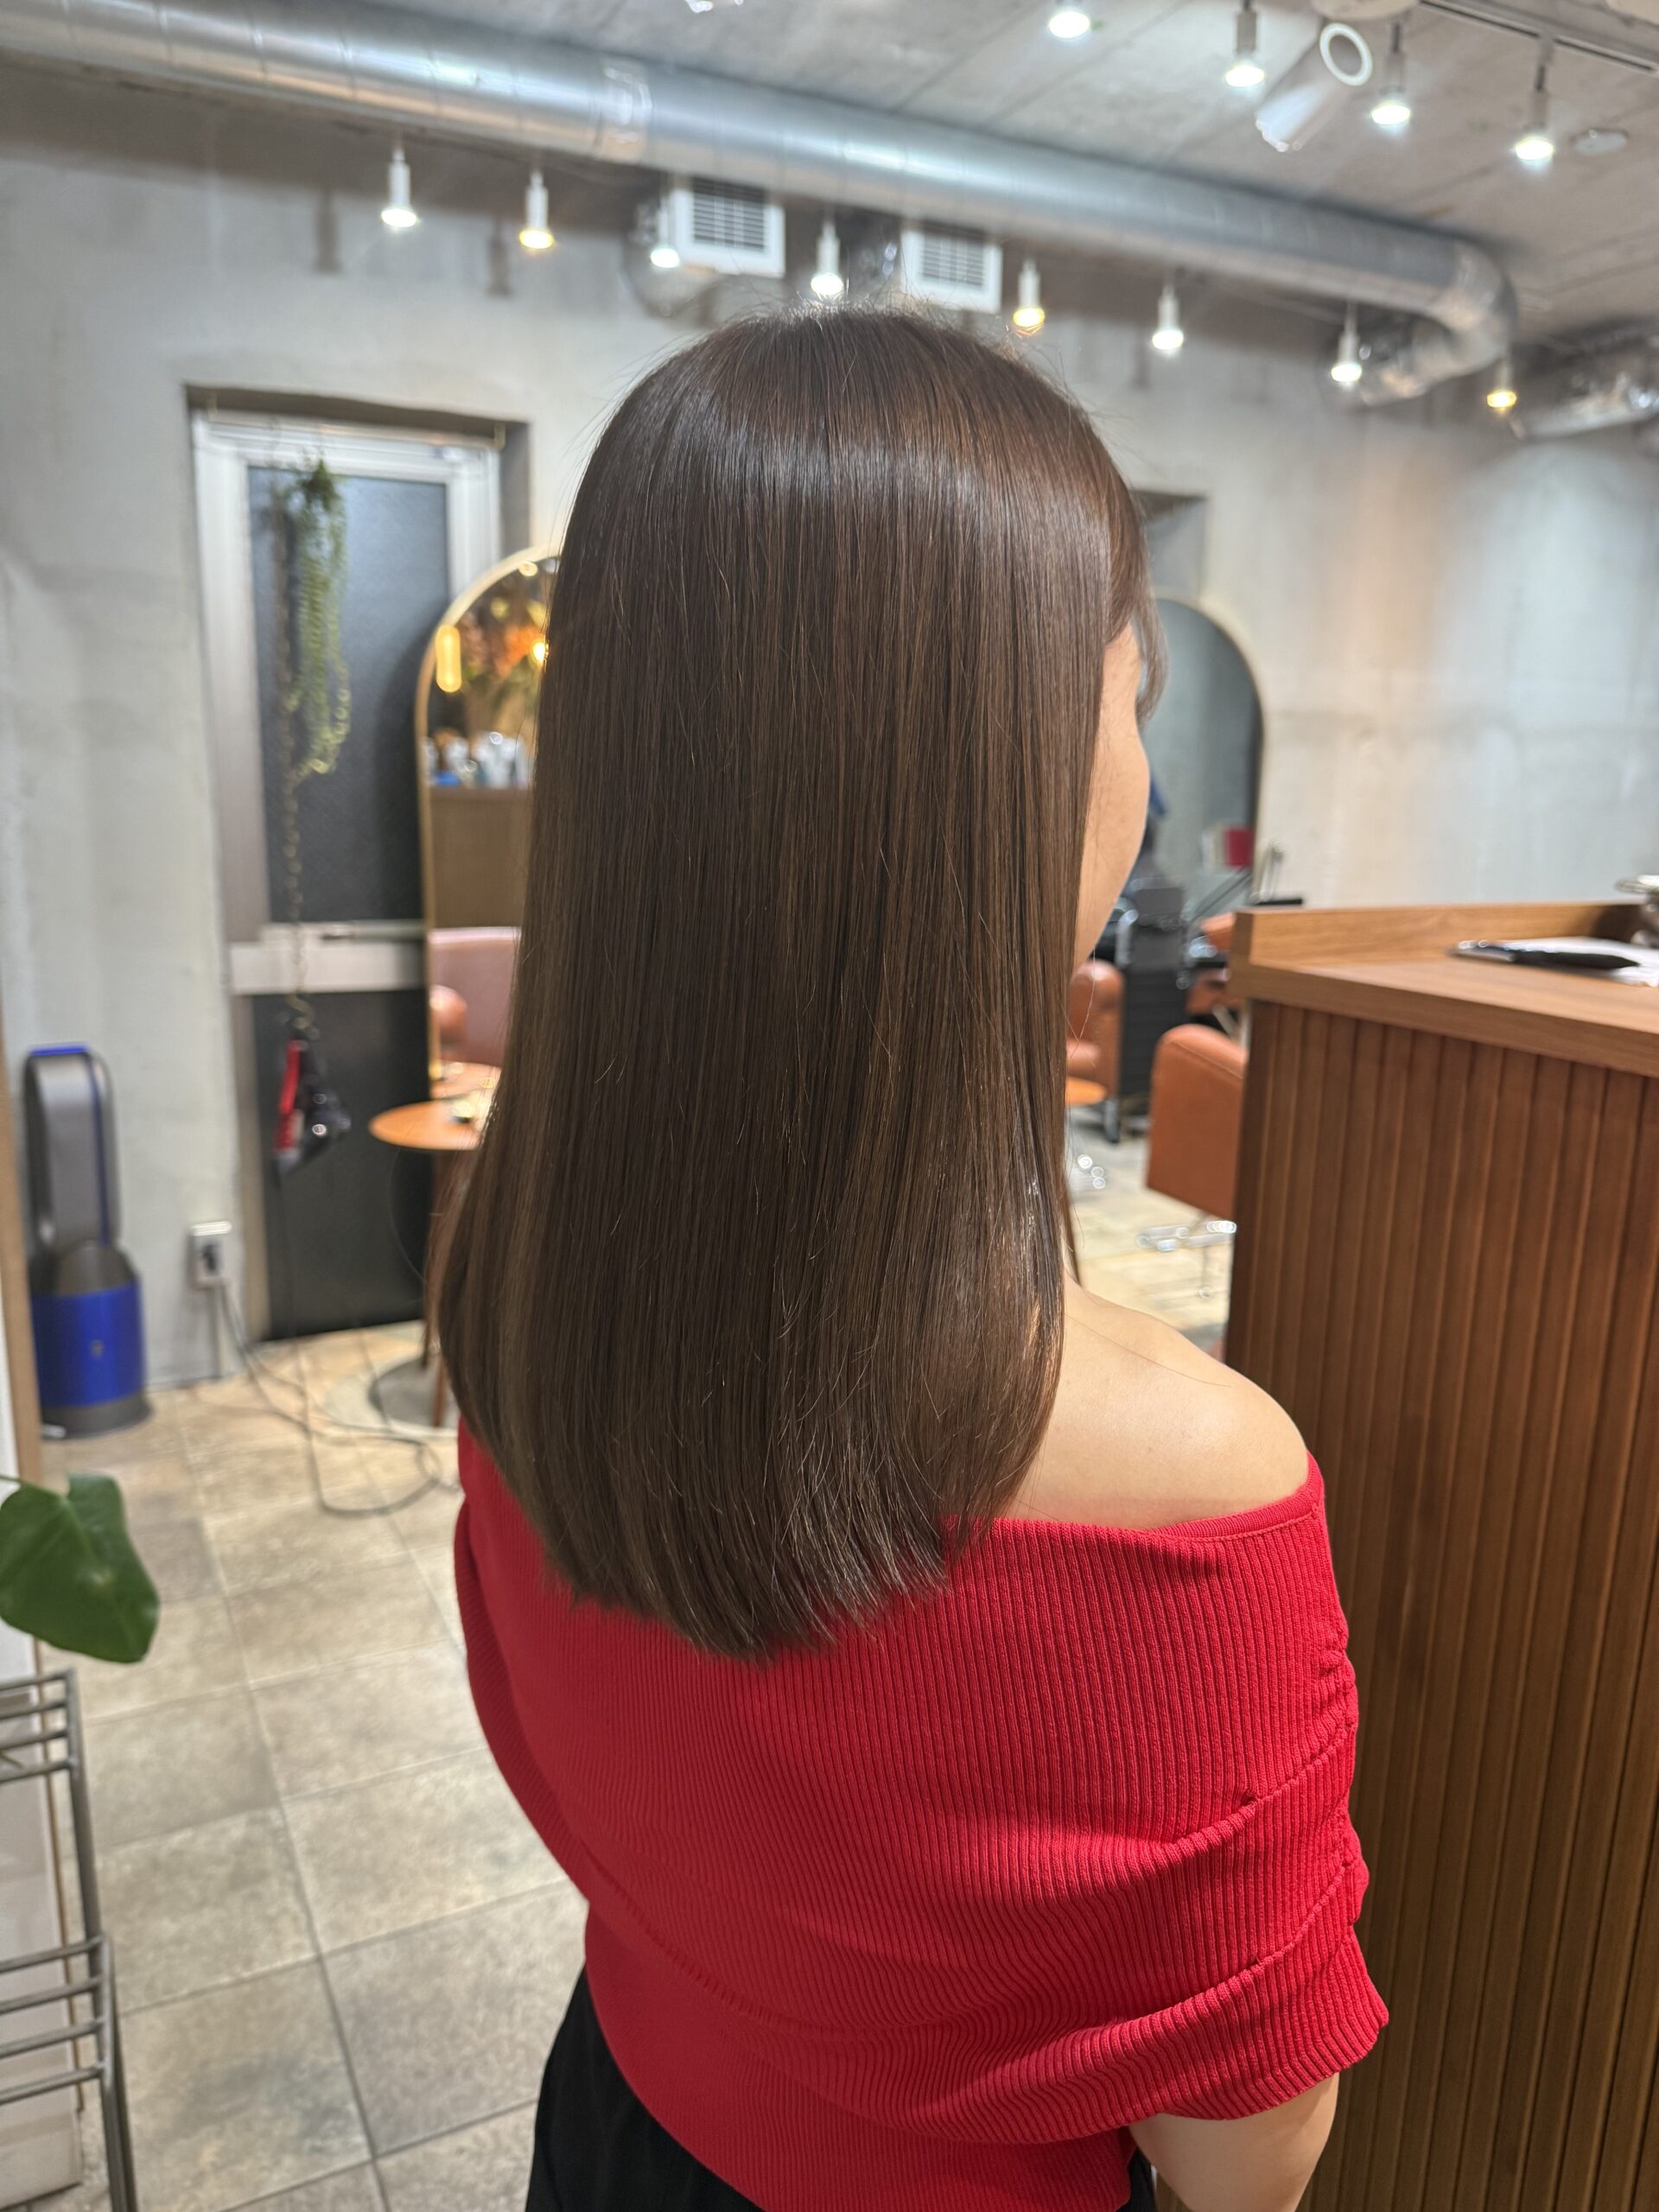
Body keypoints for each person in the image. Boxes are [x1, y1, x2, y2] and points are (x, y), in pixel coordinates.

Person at [439, 308, 1385, 2212]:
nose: (1141, 756)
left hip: (611, 2128)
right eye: (1128, 692)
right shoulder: (1197, 1502)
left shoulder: (522, 1300)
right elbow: (1248, 2162)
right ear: (1007, 779)